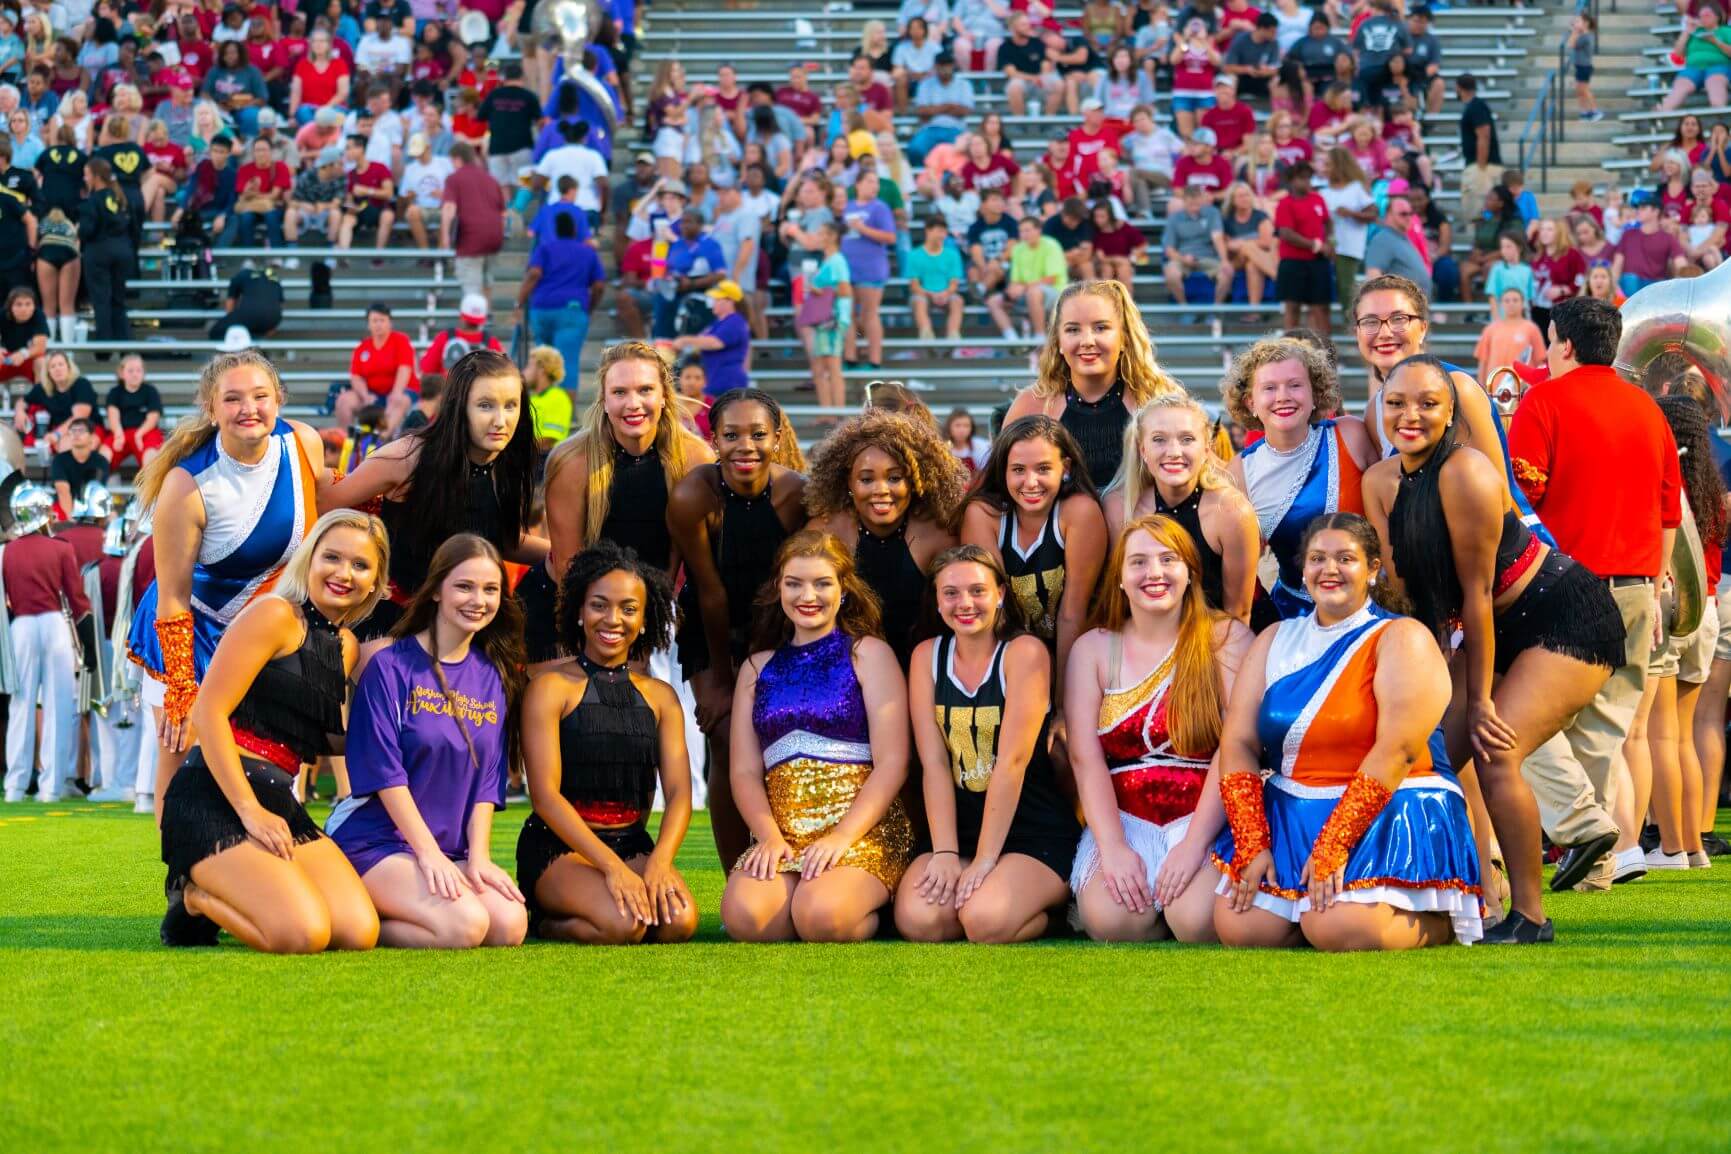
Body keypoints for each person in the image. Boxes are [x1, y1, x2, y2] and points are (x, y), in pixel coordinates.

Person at [1361, 354, 1624, 941]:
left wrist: (1478, 700)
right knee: (1419, 754)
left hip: (1561, 616)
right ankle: (1416, 891)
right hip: (1482, 628)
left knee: (1494, 747)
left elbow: (1476, 596)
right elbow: (1405, 592)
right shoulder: (1378, 482)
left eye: (1428, 403)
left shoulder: (1469, 471)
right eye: (1397, 403)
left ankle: (1529, 916)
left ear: (1452, 411)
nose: (1411, 415)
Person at [1212, 513, 1484, 949]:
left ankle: (1445, 921)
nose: (1330, 569)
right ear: (1302, 570)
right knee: (1240, 928)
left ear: (1373, 569)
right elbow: (1238, 742)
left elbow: (1399, 750)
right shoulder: (1274, 638)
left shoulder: (1400, 635)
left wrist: (1335, 843)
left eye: (1346, 558)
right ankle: (1307, 906)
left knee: (1338, 929)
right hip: (1292, 811)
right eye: (1317, 558)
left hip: (1389, 808)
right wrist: (1253, 843)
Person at [1508, 297, 1683, 893]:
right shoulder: (1647, 408)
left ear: (1565, 345)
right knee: (1605, 730)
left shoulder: (1544, 401)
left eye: (1550, 338)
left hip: (1563, 587)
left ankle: (1585, 833)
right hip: (1637, 585)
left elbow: (1523, 501)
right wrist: (1657, 582)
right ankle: (1598, 864)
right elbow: (1668, 508)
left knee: (1514, 714)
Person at [156, 509, 385, 952]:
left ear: (375, 582)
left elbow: (326, 736)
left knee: (358, 932)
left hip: (279, 797)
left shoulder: (347, 647)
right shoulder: (275, 614)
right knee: (302, 933)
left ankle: (245, 888)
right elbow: (209, 712)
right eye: (332, 558)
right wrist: (248, 810)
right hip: (216, 794)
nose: (344, 573)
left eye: (360, 565)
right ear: (309, 559)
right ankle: (195, 897)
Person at [127, 351, 326, 820]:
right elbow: (173, 598)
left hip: (260, 637)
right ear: (211, 407)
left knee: (273, 765)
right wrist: (181, 687)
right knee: (184, 764)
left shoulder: (304, 443)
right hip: (188, 633)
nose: (248, 409)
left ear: (278, 398)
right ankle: (181, 885)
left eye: (260, 396)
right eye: (232, 399)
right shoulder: (188, 483)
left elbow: (325, 503)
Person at [325, 533, 526, 950]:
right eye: (464, 586)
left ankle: (397, 909)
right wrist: (428, 854)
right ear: (436, 590)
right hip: (378, 840)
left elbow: (487, 782)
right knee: (466, 925)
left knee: (508, 924)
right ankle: (353, 917)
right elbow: (385, 774)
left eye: (490, 589)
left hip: (449, 847)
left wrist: (479, 858)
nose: (479, 600)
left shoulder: (492, 676)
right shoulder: (391, 667)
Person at [720, 530, 914, 942]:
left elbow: (894, 762)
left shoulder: (868, 653)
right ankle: (803, 896)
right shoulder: (756, 669)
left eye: (822, 583)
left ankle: (876, 908)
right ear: (779, 589)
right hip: (784, 835)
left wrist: (842, 837)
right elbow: (742, 771)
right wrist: (769, 837)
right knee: (747, 920)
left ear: (843, 590)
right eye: (795, 583)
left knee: (821, 918)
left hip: (859, 833)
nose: (808, 595)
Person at [1066, 514, 1253, 941]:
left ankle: (1178, 898)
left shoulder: (1226, 637)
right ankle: (1144, 892)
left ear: (1190, 572)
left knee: (1197, 921)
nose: (1154, 573)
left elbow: (1235, 746)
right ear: (1119, 579)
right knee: (1113, 923)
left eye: (1168, 560)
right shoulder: (1093, 648)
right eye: (1138, 562)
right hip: (1126, 818)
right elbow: (1084, 757)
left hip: (1206, 814)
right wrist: (1112, 848)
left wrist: (1193, 847)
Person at [514, 540, 698, 943]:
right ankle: (542, 919)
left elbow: (681, 793)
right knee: (623, 924)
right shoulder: (550, 688)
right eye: (599, 605)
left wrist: (661, 862)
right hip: (558, 847)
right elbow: (544, 797)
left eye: (628, 609)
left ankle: (604, 899)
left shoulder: (661, 697)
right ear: (579, 612)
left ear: (645, 619)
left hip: (632, 842)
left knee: (679, 923)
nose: (612, 619)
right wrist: (612, 868)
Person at [894, 545, 1081, 942]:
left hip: (1030, 829)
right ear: (937, 601)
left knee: (984, 921)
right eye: (951, 593)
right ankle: (983, 887)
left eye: (978, 591)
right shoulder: (926, 656)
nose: (965, 603)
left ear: (1000, 594)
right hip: (959, 830)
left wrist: (985, 860)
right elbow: (934, 763)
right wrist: (945, 852)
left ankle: (1056, 913)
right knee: (920, 921)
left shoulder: (1024, 653)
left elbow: (1012, 764)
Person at [667, 389, 809, 866]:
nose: (744, 446)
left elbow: (797, 587)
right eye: (731, 435)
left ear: (778, 437)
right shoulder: (692, 496)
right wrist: (724, 686)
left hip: (776, 632)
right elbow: (709, 591)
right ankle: (737, 877)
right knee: (726, 737)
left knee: (777, 739)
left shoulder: (798, 496)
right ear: (714, 439)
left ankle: (787, 856)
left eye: (757, 435)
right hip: (710, 630)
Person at [322, 350, 544, 637]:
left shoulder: (506, 461)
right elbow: (325, 506)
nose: (501, 420)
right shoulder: (408, 457)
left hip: (466, 625)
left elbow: (496, 537)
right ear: (458, 406)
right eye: (486, 405)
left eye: (511, 405)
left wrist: (567, 556)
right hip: (395, 628)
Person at [533, 343, 712, 658]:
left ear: (664, 396)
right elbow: (568, 568)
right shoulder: (572, 461)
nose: (634, 404)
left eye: (645, 390)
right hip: (577, 608)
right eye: (619, 392)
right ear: (603, 400)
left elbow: (702, 566)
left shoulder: (696, 458)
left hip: (662, 611)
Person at [803, 409, 966, 666]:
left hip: (922, 668)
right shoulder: (825, 531)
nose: (881, 490)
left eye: (894, 478)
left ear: (914, 481)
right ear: (848, 482)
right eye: (866, 479)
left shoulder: (939, 535)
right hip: (846, 668)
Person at [958, 415, 1107, 684]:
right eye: (1018, 470)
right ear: (1002, 471)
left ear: (1065, 468)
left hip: (1074, 656)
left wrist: (1062, 705)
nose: (1030, 482)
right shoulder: (983, 515)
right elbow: (995, 613)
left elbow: (1072, 614)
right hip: (1010, 657)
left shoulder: (1079, 513)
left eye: (1043, 469)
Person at [1003, 279, 1181, 488]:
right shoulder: (1031, 404)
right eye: (1072, 330)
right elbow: (995, 485)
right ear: (1058, 341)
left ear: (1124, 337)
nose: (1087, 340)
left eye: (1100, 328)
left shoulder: (1160, 399)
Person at [1106, 393, 1260, 624]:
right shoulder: (1120, 507)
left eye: (1187, 439)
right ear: (1143, 450)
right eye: (1159, 439)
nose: (1174, 452)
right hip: (1148, 639)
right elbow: (1119, 602)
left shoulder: (1232, 511)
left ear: (1207, 449)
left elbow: (1239, 614)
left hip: (1217, 641)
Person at [0, 483, 91, 804]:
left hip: (20, 627)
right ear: (43, 513)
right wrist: (89, 648)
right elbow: (78, 600)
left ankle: (15, 784)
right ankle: (51, 786)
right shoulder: (61, 548)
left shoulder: (6, 551)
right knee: (57, 704)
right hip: (54, 626)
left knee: (21, 705)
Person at [514, 210, 606, 374]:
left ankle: (542, 398)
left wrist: (520, 301)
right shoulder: (588, 252)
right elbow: (599, 286)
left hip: (542, 308)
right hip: (573, 309)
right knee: (567, 364)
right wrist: (590, 307)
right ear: (574, 230)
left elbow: (534, 274)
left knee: (544, 363)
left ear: (556, 230)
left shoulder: (544, 249)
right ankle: (565, 400)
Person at [339, 303, 418, 434]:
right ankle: (347, 442)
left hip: (402, 390)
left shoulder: (401, 340)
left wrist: (396, 392)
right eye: (374, 321)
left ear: (390, 322)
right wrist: (365, 395)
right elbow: (356, 377)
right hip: (373, 393)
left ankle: (380, 441)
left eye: (382, 320)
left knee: (398, 401)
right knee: (344, 400)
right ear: (368, 324)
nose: (378, 324)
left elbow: (405, 368)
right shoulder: (362, 347)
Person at [440, 142, 505, 298]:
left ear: (456, 159)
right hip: (494, 236)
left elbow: (449, 208)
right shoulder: (490, 179)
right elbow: (503, 211)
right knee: (486, 283)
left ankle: (475, 322)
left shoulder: (454, 179)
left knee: (471, 288)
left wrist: (445, 236)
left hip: (471, 237)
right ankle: (487, 319)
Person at [1273, 161, 1332, 334]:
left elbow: (1327, 222)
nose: (1307, 182)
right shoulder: (1285, 204)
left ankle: (1326, 352)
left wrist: (1329, 242)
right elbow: (1286, 233)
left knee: (1321, 307)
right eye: (1302, 178)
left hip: (1317, 261)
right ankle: (1290, 349)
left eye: (1309, 178)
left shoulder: (1318, 199)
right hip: (1293, 261)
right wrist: (1314, 245)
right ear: (1291, 181)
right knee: (1292, 307)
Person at [666, 281, 752, 398]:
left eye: (717, 299)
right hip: (716, 380)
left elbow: (715, 342)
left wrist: (685, 340)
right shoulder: (720, 322)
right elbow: (702, 341)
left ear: (730, 301)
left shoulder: (735, 321)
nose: (713, 303)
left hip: (728, 382)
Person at [79, 157, 132, 344]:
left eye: (86, 175)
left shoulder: (92, 201)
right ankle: (126, 344)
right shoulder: (120, 198)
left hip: (99, 252)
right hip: (123, 251)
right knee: (119, 300)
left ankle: (104, 348)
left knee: (101, 300)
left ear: (95, 176)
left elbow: (87, 230)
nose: (85, 179)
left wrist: (79, 228)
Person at [1162, 183, 1232, 307]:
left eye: (1198, 204)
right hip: (1183, 257)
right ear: (1183, 202)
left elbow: (1217, 237)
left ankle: (1216, 310)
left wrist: (1225, 260)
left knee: (1227, 272)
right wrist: (1183, 259)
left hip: (1209, 257)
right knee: (1171, 273)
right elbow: (1169, 249)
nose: (1195, 208)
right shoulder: (1174, 218)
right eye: (1191, 204)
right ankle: (1184, 307)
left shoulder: (1212, 213)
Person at [17, 348, 96, 453]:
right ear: (48, 372)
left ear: (68, 367)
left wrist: (57, 434)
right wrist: (20, 412)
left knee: (67, 446)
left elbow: (80, 417)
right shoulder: (43, 388)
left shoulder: (81, 384)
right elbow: (22, 401)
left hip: (86, 428)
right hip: (58, 432)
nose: (57, 369)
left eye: (61, 364)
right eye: (52, 366)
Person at [1006, 213, 1068, 339]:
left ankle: (1039, 335)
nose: (1024, 234)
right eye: (1021, 231)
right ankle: (1010, 335)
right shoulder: (1018, 248)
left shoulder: (1051, 245)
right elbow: (1015, 280)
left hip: (1055, 292)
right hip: (1028, 290)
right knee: (994, 301)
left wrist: (1022, 288)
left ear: (1038, 230)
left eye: (1027, 230)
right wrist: (1012, 289)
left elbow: (1051, 279)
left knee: (1033, 292)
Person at [907, 215, 966, 342]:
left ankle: (953, 335)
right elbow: (914, 285)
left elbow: (954, 283)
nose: (942, 235)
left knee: (957, 300)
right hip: (924, 294)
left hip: (946, 294)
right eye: (939, 231)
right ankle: (926, 335)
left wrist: (945, 293)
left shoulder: (953, 255)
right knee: (919, 300)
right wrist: (931, 294)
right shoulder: (914, 255)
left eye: (944, 232)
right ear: (928, 231)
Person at [1473, 288, 1546, 389]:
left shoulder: (1531, 328)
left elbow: (1540, 361)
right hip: (1495, 387)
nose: (1511, 304)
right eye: (1507, 300)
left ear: (1522, 303)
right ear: (1501, 304)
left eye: (1515, 300)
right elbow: (1483, 362)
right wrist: (1480, 388)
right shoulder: (1490, 329)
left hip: (1522, 388)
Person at [1361, 195, 1431, 295]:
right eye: (1403, 214)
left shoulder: (1402, 239)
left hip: (1412, 306)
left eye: (1410, 214)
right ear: (1388, 215)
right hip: (1399, 306)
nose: (1408, 217)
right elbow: (1373, 277)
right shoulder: (1383, 239)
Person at [103, 354, 163, 470]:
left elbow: (153, 417)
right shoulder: (115, 392)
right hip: (121, 432)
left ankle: (149, 486)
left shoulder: (150, 391)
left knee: (151, 456)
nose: (135, 374)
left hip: (146, 432)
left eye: (138, 370)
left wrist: (139, 434)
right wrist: (118, 434)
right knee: (104, 454)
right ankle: (100, 484)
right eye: (130, 371)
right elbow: (113, 415)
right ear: (121, 373)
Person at [48, 417, 109, 518]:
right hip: (64, 507)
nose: (76, 434)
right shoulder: (59, 460)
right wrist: (71, 518)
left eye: (81, 431)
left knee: (112, 516)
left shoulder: (101, 461)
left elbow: (95, 492)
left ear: (92, 437)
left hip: (91, 506)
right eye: (73, 431)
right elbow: (63, 491)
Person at [211, 263, 284, 342]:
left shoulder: (242, 274)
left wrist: (231, 321)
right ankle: (255, 344)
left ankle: (241, 349)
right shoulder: (272, 275)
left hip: (250, 314)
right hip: (273, 318)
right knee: (252, 332)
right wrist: (273, 326)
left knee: (216, 332)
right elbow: (279, 304)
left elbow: (230, 302)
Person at [524, 346, 572, 455]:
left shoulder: (558, 397)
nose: (524, 372)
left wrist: (515, 451)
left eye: (529, 366)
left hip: (544, 462)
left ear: (541, 369)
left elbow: (547, 441)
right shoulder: (532, 398)